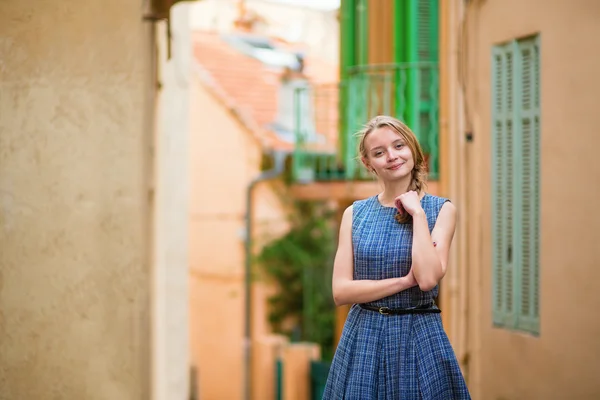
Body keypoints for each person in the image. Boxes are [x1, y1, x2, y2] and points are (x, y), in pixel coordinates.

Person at [322, 115, 470, 399]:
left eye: (399, 146)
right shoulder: (354, 214)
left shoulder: (441, 210)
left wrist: (417, 213)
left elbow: (427, 279)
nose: (392, 156)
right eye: (379, 153)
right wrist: (403, 282)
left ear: (412, 149)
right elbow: (341, 291)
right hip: (364, 336)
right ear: (369, 163)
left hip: (419, 337)